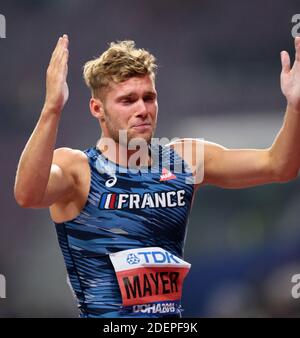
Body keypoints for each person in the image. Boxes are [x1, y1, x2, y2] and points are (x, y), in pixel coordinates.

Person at [14, 34, 300, 318]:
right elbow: (28, 193)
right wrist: (51, 109)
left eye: (148, 98)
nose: (142, 110)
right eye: (127, 101)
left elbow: (279, 166)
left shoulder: (186, 160)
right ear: (97, 109)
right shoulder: (78, 168)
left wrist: (296, 107)